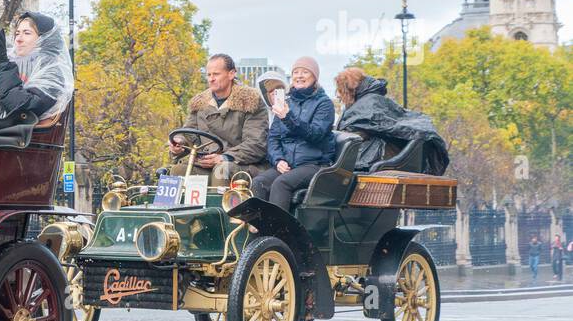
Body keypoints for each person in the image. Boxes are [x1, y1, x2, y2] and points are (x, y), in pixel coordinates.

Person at [251, 56, 337, 209]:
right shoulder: (287, 102)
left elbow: (315, 134)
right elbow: (273, 138)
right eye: (296, 72)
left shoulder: (324, 104)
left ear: (314, 77)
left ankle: (280, 232)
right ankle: (259, 229)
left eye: (305, 72)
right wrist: (278, 160)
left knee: (281, 183)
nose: (299, 76)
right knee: (259, 182)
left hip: (314, 164)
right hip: (288, 164)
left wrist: (287, 117)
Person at [171, 53, 270, 181]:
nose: (211, 79)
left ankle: (219, 201)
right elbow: (188, 134)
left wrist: (223, 158)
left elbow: (256, 144)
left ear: (231, 74)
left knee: (221, 170)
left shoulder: (251, 102)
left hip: (240, 164)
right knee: (177, 171)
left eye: (216, 74)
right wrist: (179, 144)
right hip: (204, 163)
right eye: (209, 75)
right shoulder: (199, 103)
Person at [333, 67, 450, 174]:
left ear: (348, 90)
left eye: (340, 91)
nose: (338, 96)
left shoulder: (368, 103)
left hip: (386, 156)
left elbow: (366, 128)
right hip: (387, 152)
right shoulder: (371, 101)